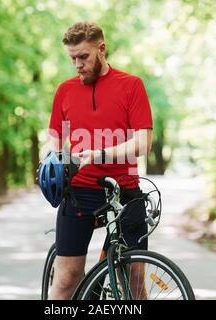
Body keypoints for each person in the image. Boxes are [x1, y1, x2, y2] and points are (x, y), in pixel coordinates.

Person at [45, 21, 153, 299]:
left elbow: (143, 143)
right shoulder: (65, 91)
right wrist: (53, 162)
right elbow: (54, 138)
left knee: (135, 281)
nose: (78, 64)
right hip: (80, 192)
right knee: (67, 277)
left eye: (84, 56)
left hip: (125, 191)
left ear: (101, 49)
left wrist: (99, 155)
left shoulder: (131, 85)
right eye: (72, 59)